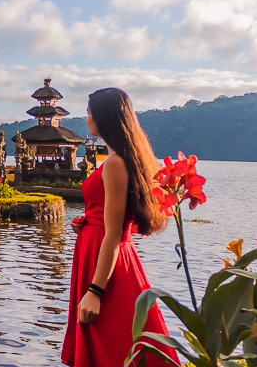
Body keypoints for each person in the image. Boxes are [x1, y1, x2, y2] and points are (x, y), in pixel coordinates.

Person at [61, 88, 178, 367]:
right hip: (99, 251)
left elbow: (114, 234)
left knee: (114, 341)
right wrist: (88, 222)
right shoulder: (120, 159)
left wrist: (95, 291)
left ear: (103, 118)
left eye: (90, 113)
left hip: (106, 263)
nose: (87, 118)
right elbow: (110, 218)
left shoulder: (115, 164)